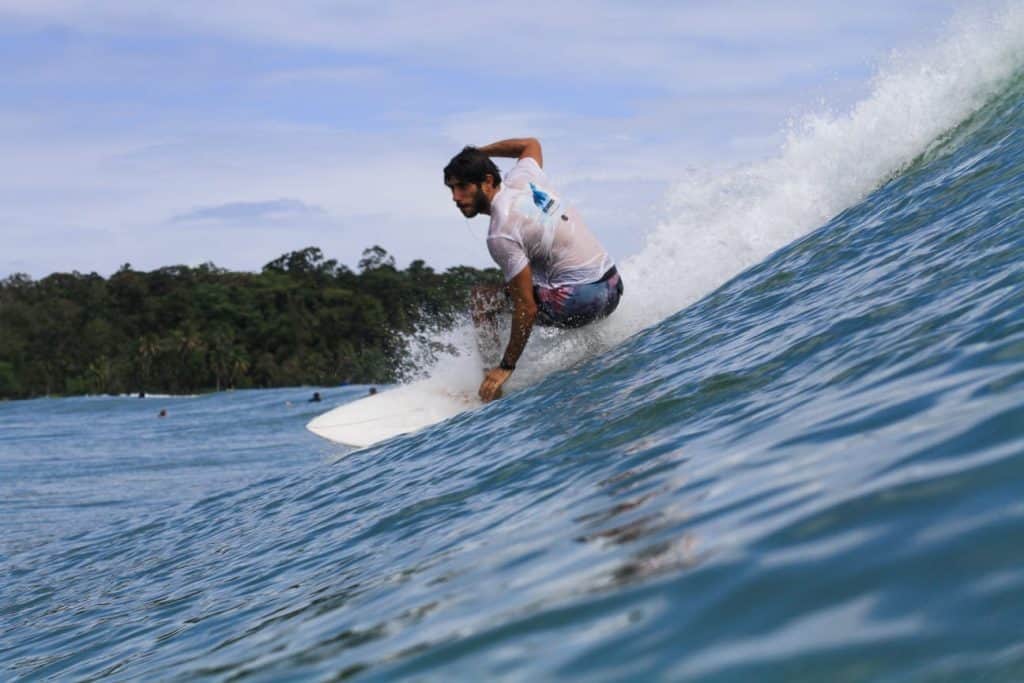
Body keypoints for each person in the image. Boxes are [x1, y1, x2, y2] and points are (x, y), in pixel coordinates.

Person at [444, 137, 623, 402]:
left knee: (483, 300)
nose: (456, 198)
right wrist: (477, 154)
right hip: (613, 285)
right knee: (524, 282)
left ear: (488, 182)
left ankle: (491, 387)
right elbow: (530, 144)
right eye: (451, 189)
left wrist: (506, 366)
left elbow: (527, 308)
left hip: (584, 300)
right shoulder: (526, 177)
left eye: (463, 187)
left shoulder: (500, 233)